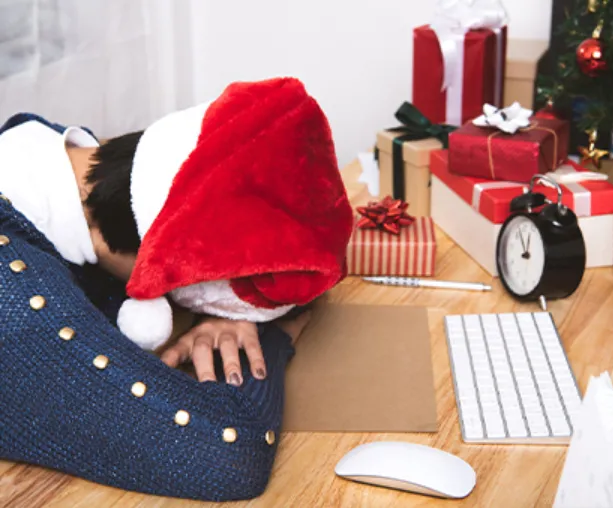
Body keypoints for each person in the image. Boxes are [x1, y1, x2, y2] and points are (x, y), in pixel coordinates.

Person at [0, 77, 353, 501]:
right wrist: (270, 336)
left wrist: (221, 315)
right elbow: (226, 456)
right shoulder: (17, 296)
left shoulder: (48, 154)